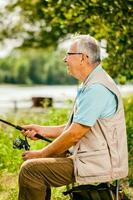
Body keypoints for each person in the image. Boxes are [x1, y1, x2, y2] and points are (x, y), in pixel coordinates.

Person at [18, 35, 128, 200]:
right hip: (90, 158)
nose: (65, 59)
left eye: (69, 54)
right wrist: (42, 130)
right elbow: (75, 126)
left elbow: (74, 134)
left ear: (83, 58)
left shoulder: (96, 89)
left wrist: (41, 154)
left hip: (98, 164)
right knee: (33, 166)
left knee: (30, 170)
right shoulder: (91, 84)